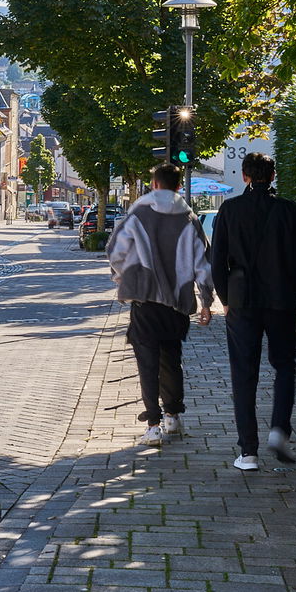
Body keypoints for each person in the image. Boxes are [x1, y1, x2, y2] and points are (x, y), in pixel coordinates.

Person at [209, 152, 296, 471]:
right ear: (273, 177)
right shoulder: (291, 212)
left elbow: (217, 260)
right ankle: (279, 430)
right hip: (282, 298)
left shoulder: (229, 209)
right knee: (284, 365)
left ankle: (248, 452)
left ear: (244, 177)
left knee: (244, 373)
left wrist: (224, 298)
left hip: (242, 299)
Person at [107, 163, 213, 446]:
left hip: (145, 300)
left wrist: (124, 277)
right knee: (172, 358)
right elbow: (203, 263)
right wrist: (206, 301)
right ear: (179, 186)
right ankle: (173, 416)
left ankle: (152, 425)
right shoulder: (189, 218)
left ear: (153, 185)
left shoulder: (139, 213)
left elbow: (114, 250)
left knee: (147, 362)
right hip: (177, 302)